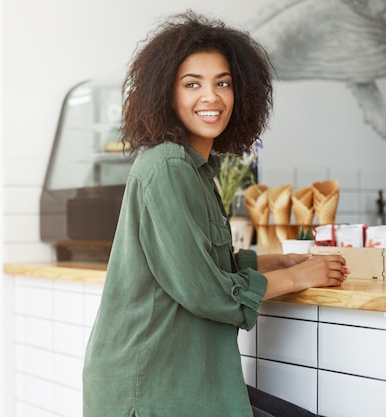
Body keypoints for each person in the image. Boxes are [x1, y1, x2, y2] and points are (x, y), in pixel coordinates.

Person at [82, 10, 349, 417]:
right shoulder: (169, 166)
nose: (212, 97)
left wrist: (278, 259)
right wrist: (297, 276)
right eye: (193, 84)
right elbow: (205, 291)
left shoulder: (192, 167)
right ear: (166, 94)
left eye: (222, 83)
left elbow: (200, 261)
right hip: (152, 387)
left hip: (176, 377)